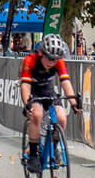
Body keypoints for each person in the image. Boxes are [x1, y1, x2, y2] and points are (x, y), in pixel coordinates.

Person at [19, 35, 80, 167]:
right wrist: (27, 105)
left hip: (47, 89)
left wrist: (73, 103)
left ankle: (54, 147)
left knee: (62, 118)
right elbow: (25, 85)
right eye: (49, 58)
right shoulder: (30, 60)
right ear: (41, 53)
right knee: (37, 114)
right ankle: (33, 154)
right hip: (33, 89)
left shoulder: (59, 61)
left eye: (55, 59)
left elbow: (65, 81)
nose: (52, 62)